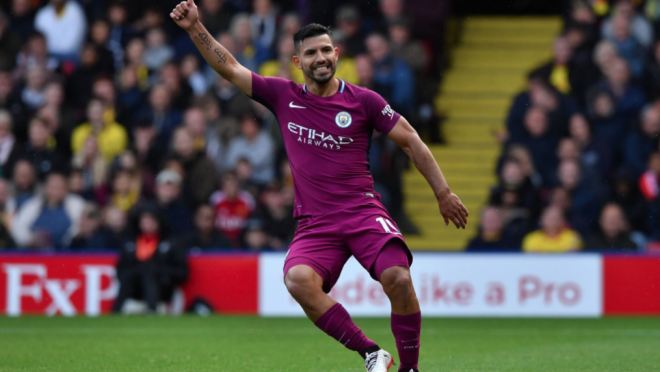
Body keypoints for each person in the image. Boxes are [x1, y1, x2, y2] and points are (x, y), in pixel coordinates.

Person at [170, 3, 469, 371]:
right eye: (311, 52)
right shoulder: (283, 96)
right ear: (298, 62)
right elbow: (228, 67)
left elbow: (411, 141)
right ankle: (372, 353)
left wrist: (443, 192)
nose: (321, 57)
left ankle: (410, 369)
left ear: (337, 54)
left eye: (326, 50)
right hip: (316, 223)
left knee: (399, 279)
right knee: (297, 280)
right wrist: (195, 27)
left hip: (362, 213)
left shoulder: (364, 101)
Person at [112, 206, 188, 314]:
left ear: (159, 221)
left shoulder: (171, 242)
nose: (148, 224)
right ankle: (116, 311)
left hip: (162, 291)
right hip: (135, 294)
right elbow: (120, 270)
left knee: (149, 272)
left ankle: (152, 309)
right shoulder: (130, 242)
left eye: (151, 220)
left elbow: (182, 272)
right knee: (135, 272)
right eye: (145, 220)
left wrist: (158, 270)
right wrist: (139, 270)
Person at [11, 172, 85, 249]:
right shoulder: (32, 205)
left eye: (59, 188)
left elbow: (81, 227)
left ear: (66, 189)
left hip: (67, 253)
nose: (56, 192)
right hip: (35, 254)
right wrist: (30, 239)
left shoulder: (77, 205)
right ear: (46, 188)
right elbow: (18, 227)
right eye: (53, 187)